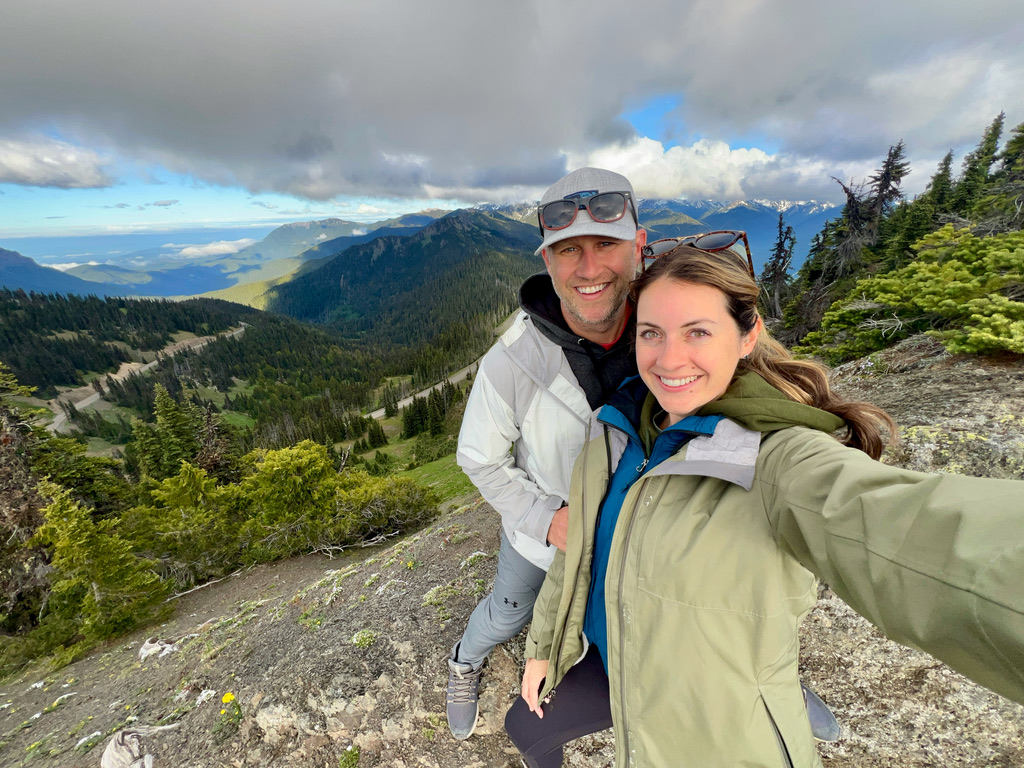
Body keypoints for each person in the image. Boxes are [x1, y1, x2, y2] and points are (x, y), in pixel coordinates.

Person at [506, 241, 1024, 767]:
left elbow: (916, 538)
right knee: (524, 727)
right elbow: (580, 548)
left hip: (712, 724)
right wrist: (546, 644)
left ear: (747, 335)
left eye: (698, 333)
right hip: (611, 662)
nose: (669, 358)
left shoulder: (779, 459)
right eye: (651, 333)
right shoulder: (614, 428)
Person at [447, 167, 646, 739]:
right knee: (509, 613)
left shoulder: (672, 322)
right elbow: (478, 456)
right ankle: (464, 660)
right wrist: (545, 519)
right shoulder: (512, 359)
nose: (588, 268)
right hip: (547, 535)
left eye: (606, 243)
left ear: (638, 245)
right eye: (568, 249)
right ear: (547, 259)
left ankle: (764, 674)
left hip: (650, 524)